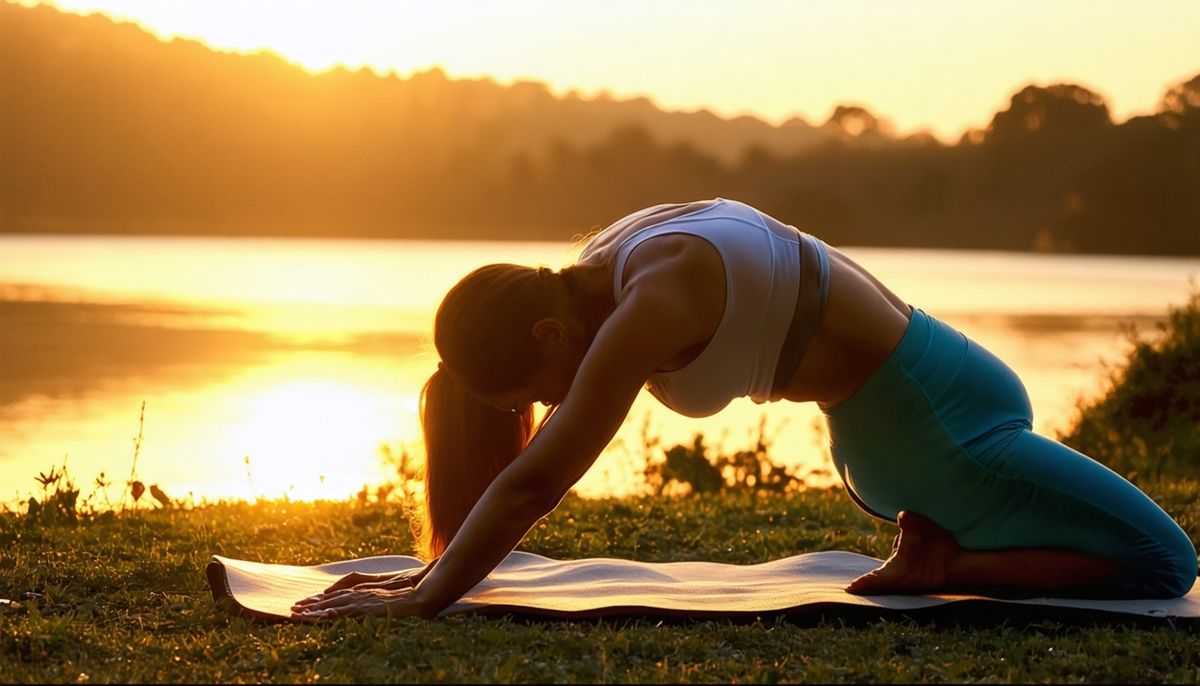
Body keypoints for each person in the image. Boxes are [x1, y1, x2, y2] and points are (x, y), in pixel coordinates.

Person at [292, 198, 1196, 620]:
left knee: (1161, 560)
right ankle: (944, 561)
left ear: (543, 333)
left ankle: (947, 562)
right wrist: (426, 585)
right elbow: (527, 481)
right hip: (929, 435)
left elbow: (535, 484)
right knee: (1166, 562)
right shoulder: (613, 261)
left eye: (534, 390)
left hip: (945, 424)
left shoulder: (649, 300)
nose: (546, 405)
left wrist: (424, 597)